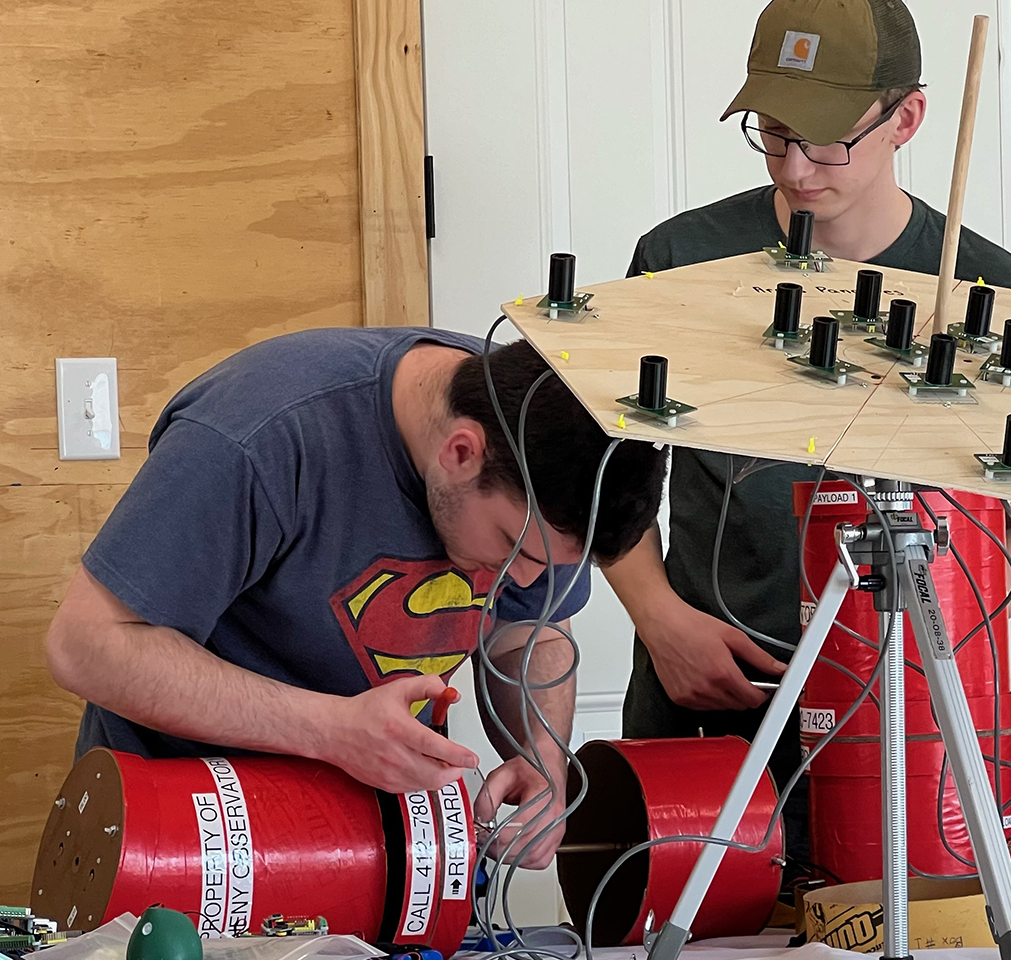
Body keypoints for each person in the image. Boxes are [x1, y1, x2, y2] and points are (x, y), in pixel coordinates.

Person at [608, 0, 1011, 856]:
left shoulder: (995, 291)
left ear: (908, 117)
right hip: (711, 691)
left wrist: (934, 638)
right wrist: (659, 621)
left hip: (909, 708)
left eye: (826, 140)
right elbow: (602, 480)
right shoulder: (678, 261)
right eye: (773, 133)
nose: (794, 167)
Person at [46, 328, 665, 869]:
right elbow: (86, 645)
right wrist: (333, 730)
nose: (523, 581)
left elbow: (528, 627)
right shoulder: (261, 432)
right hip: (181, 840)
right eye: (512, 549)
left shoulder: (551, 445)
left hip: (380, 855)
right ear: (460, 454)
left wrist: (542, 756)